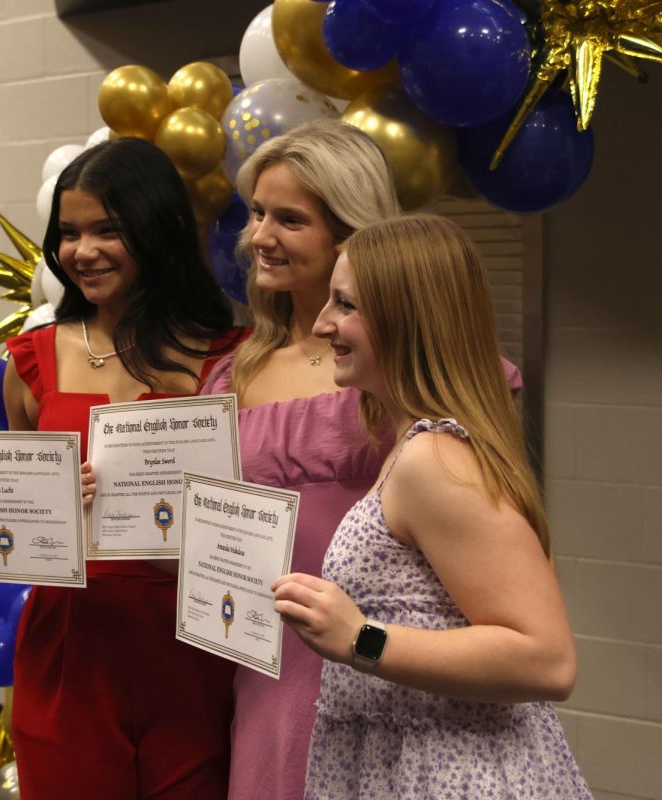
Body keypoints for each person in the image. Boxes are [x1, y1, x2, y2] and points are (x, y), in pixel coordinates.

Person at [203, 119, 524, 800]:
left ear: (350, 234)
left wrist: (371, 644)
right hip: (263, 663)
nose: (259, 236)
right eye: (257, 212)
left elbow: (523, 614)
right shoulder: (232, 372)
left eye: (289, 218)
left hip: (392, 663)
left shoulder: (402, 377)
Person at [0, 138, 241, 799]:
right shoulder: (31, 360)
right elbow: (15, 511)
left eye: (106, 230)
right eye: (67, 233)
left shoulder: (230, 360)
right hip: (70, 643)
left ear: (161, 228)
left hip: (191, 641)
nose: (81, 252)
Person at [273, 214, 590, 798]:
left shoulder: (434, 459)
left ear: (406, 319)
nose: (322, 324)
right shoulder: (409, 448)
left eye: (345, 305)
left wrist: (361, 639)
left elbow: (546, 660)